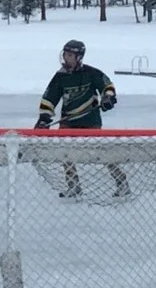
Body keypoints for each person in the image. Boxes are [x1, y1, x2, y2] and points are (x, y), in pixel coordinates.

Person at [35, 38, 121, 198]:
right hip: (68, 122)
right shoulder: (60, 76)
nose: (66, 58)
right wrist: (44, 117)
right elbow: (49, 98)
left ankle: (121, 180)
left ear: (79, 57)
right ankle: (73, 185)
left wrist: (108, 97)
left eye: (70, 55)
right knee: (66, 153)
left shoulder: (91, 73)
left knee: (102, 153)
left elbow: (107, 86)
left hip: (90, 121)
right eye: (65, 54)